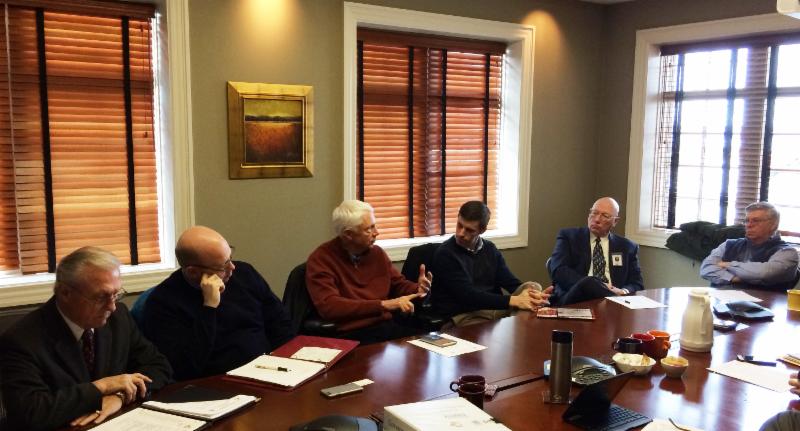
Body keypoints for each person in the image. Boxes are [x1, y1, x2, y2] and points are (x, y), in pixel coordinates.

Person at [0, 247, 172, 431]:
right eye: (101, 297)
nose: (112, 306)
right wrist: (101, 387)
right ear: (65, 293)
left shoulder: (118, 318)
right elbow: (31, 412)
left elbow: (158, 366)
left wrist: (119, 396)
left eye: (116, 294)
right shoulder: (21, 340)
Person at [143, 226, 294, 380]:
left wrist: (286, 361)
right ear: (193, 272)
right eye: (222, 266)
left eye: (230, 258)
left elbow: (280, 323)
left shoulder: (245, 273)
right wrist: (209, 307)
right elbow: (185, 367)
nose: (232, 268)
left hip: (269, 370)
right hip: (216, 383)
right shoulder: (162, 303)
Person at [305, 200, 432, 344]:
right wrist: (383, 305)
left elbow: (398, 284)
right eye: (369, 229)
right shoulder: (321, 259)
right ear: (348, 235)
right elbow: (330, 307)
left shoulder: (377, 253)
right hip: (350, 335)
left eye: (374, 226)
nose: (376, 233)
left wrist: (418, 289)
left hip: (385, 327)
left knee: (427, 346)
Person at [429, 201, 552, 326]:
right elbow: (468, 296)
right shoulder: (445, 254)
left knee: (533, 286)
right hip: (465, 315)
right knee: (524, 313)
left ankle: (518, 326)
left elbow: (511, 283)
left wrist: (532, 296)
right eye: (459, 225)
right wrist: (515, 300)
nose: (461, 233)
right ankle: (518, 330)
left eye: (469, 230)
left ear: (482, 230)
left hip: (495, 310)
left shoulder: (489, 249)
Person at [547, 197, 644, 305]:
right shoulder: (569, 237)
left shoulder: (627, 247)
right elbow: (558, 270)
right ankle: (615, 300)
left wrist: (622, 291)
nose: (597, 219)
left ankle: (614, 300)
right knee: (590, 281)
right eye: (594, 213)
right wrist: (596, 286)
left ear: (615, 221)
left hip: (611, 302)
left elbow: (637, 283)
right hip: (574, 298)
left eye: (605, 216)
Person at [700, 202, 799, 290]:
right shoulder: (729, 244)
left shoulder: (787, 252)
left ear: (773, 225)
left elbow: (764, 273)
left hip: (764, 303)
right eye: (747, 220)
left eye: (756, 220)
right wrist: (735, 278)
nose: (749, 225)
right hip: (722, 301)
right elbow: (706, 269)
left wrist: (727, 265)